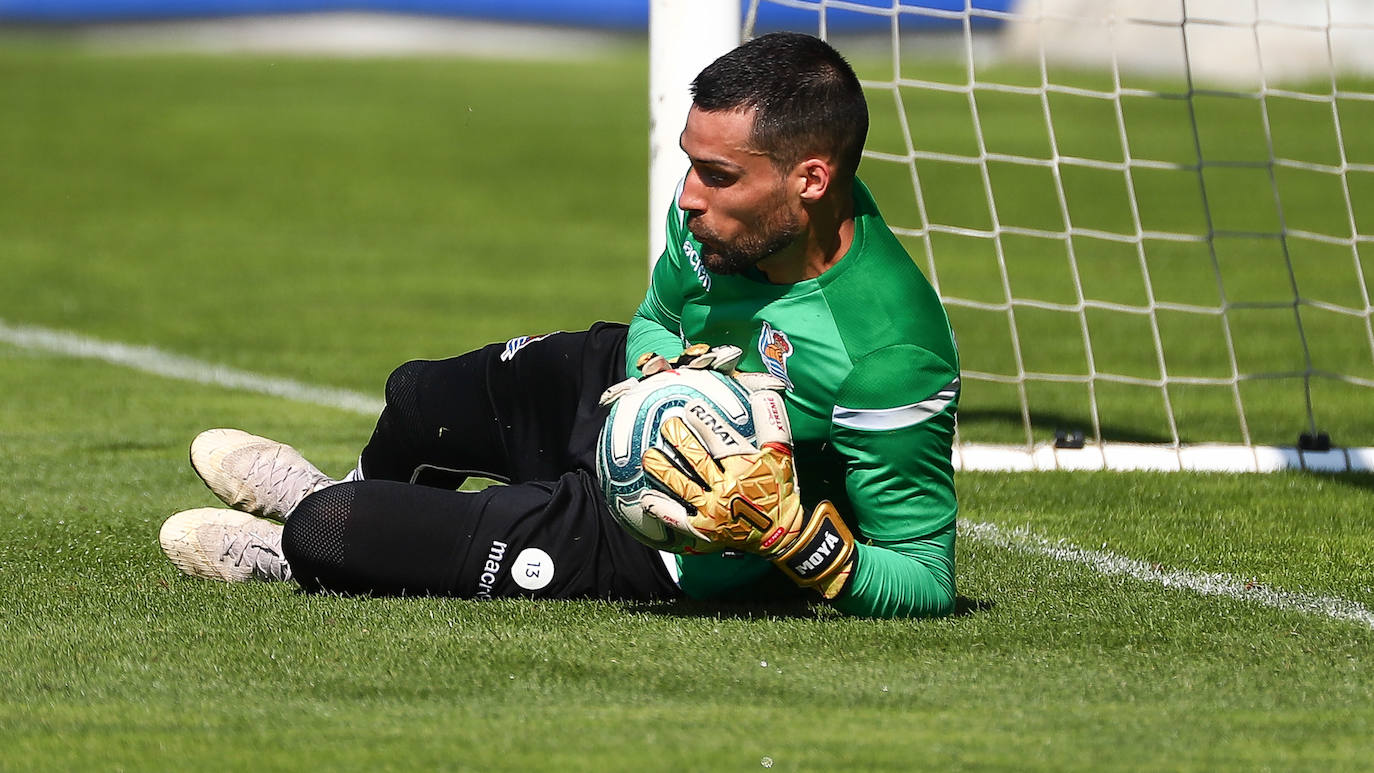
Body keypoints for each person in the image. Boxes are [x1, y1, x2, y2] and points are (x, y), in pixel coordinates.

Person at [159, 31, 961, 619]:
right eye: (689, 161)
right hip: (624, 387)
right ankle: (341, 492)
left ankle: (302, 536)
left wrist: (798, 542)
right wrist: (661, 366)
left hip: (670, 541)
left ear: (811, 180)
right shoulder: (723, 216)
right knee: (415, 396)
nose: (687, 196)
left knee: (330, 536)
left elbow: (925, 575)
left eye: (717, 175)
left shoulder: (889, 350)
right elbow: (655, 316)